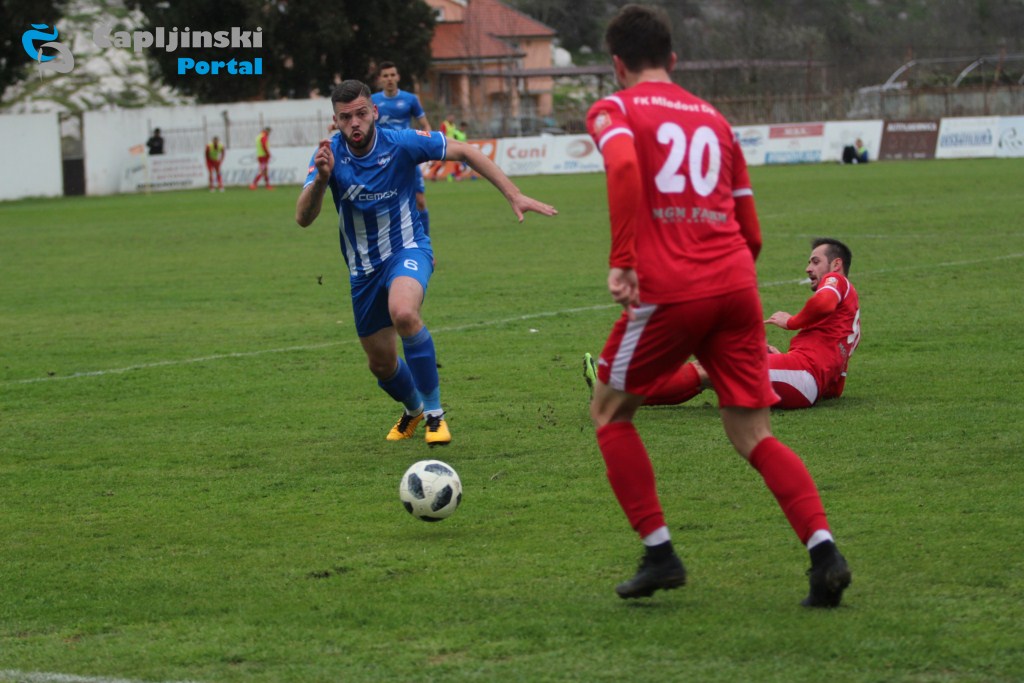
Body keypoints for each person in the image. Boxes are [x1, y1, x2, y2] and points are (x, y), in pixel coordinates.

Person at [585, 5, 851, 607]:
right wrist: (728, 284)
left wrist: (624, 259)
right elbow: (750, 229)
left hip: (672, 287)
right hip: (735, 284)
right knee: (753, 433)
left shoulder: (615, 108)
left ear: (618, 64)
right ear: (674, 59)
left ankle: (660, 553)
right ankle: (825, 555)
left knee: (609, 410)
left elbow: (622, 163)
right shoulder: (716, 120)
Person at [295, 80, 557, 447]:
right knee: (381, 365)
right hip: (363, 270)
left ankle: (435, 415)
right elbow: (303, 218)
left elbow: (465, 151)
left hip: (408, 249)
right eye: (345, 117)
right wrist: (322, 180)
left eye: (361, 113)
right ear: (335, 121)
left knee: (404, 313)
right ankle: (415, 409)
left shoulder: (401, 143)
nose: (354, 122)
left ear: (374, 112)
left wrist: (514, 194)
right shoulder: (328, 156)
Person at [584, 238, 861, 410]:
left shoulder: (837, 281)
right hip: (803, 377)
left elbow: (823, 304)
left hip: (802, 376)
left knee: (709, 366)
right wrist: (783, 361)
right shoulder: (849, 320)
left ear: (836, 265)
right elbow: (834, 387)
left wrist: (791, 322)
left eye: (815, 261)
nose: (808, 268)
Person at [371, 61, 433, 234]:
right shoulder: (373, 101)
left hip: (407, 156)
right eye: (385, 76)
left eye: (392, 75)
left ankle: (425, 244)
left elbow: (425, 125)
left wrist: (428, 145)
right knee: (383, 204)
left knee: (420, 201)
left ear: (398, 77)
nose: (389, 79)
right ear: (380, 79)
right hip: (383, 159)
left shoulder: (410, 99)